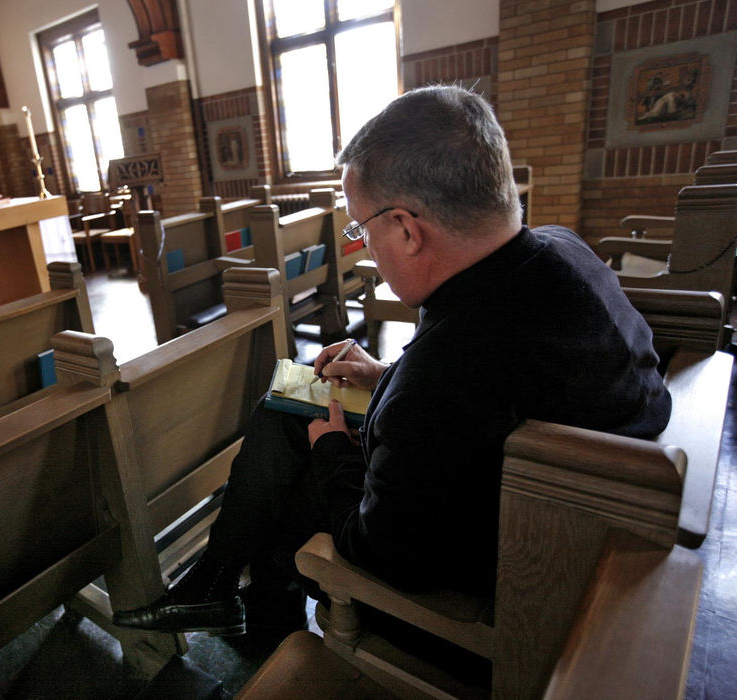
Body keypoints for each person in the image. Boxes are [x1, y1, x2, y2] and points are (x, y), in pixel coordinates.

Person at [113, 85, 672, 639]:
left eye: (360, 227)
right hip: (546, 495)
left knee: (304, 472)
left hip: (502, 572)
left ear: (406, 229)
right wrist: (385, 377)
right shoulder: (559, 248)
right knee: (295, 401)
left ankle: (262, 617)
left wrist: (333, 447)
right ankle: (219, 585)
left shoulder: (443, 378)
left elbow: (378, 549)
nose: (364, 248)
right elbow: (496, 389)